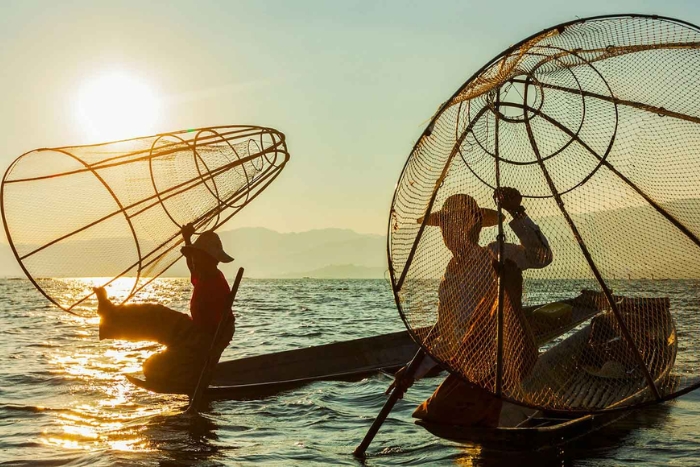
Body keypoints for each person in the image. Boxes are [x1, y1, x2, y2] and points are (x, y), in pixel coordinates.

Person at [389, 187, 552, 427]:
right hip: (473, 371)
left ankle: (510, 406)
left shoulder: (496, 253)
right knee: (430, 414)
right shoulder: (450, 275)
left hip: (506, 364)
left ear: (474, 225)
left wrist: (516, 212)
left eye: (457, 223)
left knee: (444, 413)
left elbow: (541, 256)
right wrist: (412, 372)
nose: (450, 231)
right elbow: (449, 339)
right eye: (445, 225)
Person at [95, 224, 235, 393]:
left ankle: (188, 376)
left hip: (206, 338)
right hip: (195, 330)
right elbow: (191, 265)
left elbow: (221, 332)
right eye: (194, 256)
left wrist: (205, 358)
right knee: (155, 314)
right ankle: (110, 315)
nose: (194, 260)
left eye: (198, 256)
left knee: (152, 367)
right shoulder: (202, 273)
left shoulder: (216, 285)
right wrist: (187, 238)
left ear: (210, 260)